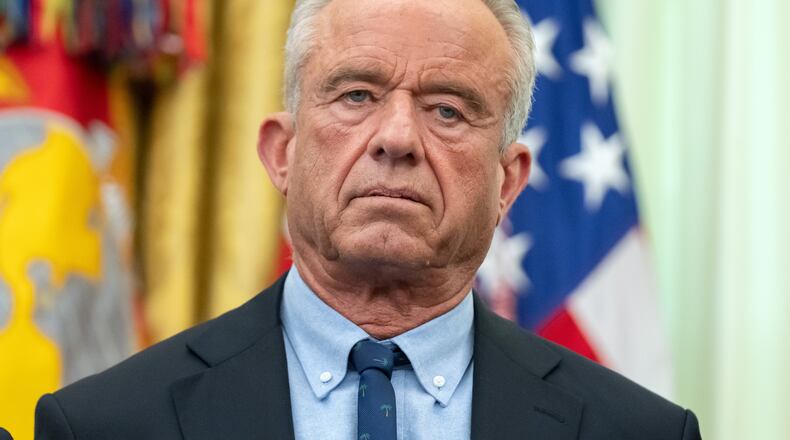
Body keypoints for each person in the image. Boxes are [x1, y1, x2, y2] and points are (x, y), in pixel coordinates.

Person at [35, 0, 702, 438]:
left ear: (508, 181)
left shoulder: (637, 433)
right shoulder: (106, 425)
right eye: (356, 95)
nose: (398, 138)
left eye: (447, 109)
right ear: (281, 154)